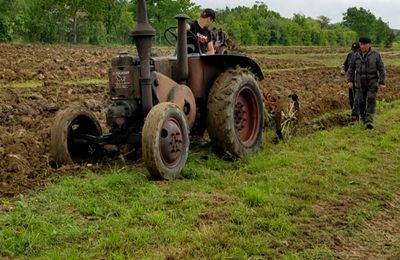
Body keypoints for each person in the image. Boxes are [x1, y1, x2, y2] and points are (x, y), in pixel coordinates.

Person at [347, 36, 386, 129]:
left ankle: (369, 120)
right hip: (359, 82)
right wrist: (350, 80)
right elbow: (351, 69)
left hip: (372, 81)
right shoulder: (355, 55)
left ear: (369, 44)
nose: (362, 46)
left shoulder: (376, 55)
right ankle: (363, 118)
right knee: (360, 101)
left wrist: (382, 82)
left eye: (364, 44)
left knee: (371, 99)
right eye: (360, 44)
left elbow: (381, 69)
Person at [341, 42, 359, 118]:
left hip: (361, 80)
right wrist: (343, 70)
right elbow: (345, 64)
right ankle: (354, 113)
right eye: (353, 49)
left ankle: (358, 115)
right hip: (351, 80)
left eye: (356, 50)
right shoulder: (350, 54)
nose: (354, 51)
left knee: (359, 97)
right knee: (351, 98)